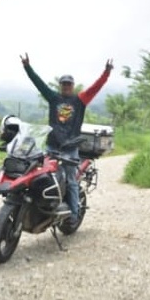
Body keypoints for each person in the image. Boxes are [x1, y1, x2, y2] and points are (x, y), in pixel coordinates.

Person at [20, 53, 113, 224]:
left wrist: (106, 73)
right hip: (52, 146)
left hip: (70, 149)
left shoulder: (80, 100)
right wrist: (27, 67)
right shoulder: (53, 98)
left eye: (69, 84)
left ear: (73, 85)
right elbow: (39, 84)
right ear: (60, 85)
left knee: (71, 181)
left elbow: (95, 88)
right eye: (64, 84)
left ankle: (74, 215)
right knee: (42, 176)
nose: (66, 86)